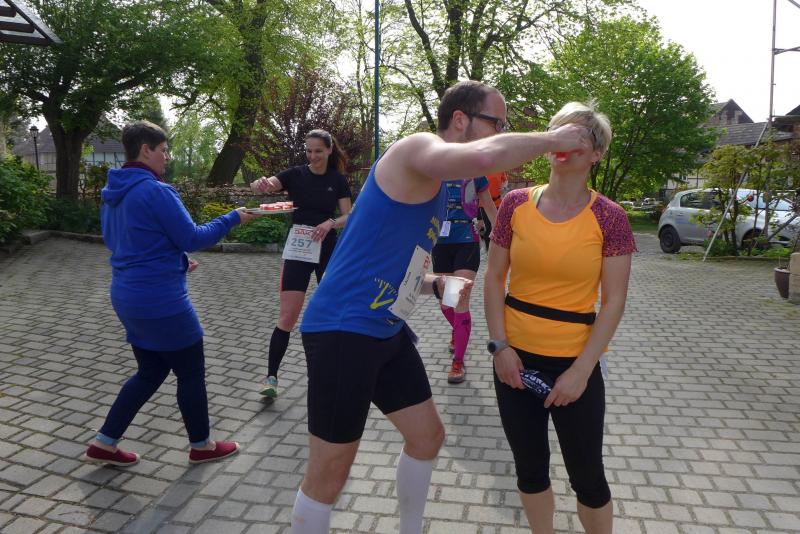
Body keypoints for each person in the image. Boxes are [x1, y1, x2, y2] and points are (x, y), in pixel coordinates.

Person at [289, 80, 591, 534]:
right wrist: (554, 139)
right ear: (460, 120)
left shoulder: (435, 187)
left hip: (385, 329)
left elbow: (394, 265)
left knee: (427, 437)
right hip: (342, 330)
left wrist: (433, 285)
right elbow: (485, 158)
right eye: (497, 123)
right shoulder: (417, 149)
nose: (501, 133)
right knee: (328, 476)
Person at [484, 102, 636, 534]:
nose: (564, 142)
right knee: (530, 469)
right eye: (558, 132)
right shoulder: (515, 204)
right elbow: (494, 278)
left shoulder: (610, 217)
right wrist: (500, 348)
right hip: (514, 362)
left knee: (588, 477)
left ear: (596, 154)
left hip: (575, 365)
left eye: (578, 136)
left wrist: (581, 371)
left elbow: (614, 301)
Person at [83, 121, 260, 467]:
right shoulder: (156, 191)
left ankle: (104, 443)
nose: (167, 157)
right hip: (161, 301)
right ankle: (202, 446)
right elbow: (193, 237)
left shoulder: (113, 193)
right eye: (163, 150)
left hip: (127, 296)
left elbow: (125, 242)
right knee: (191, 372)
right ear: (145, 150)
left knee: (150, 372)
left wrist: (175, 261)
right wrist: (232, 218)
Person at [250, 130, 352, 399]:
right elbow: (266, 185)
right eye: (308, 151)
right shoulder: (295, 174)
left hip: (327, 249)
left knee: (333, 311)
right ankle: (271, 377)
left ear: (329, 150)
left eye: (318, 151)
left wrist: (330, 223)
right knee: (288, 316)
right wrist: (260, 184)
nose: (313, 156)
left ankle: (334, 373)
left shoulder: (337, 180)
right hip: (298, 248)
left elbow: (349, 216)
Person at [432, 174, 497, 384]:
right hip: (440, 241)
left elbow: (489, 205)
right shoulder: (436, 169)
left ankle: (458, 362)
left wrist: (501, 234)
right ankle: (460, 328)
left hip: (467, 239)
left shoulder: (475, 172)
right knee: (446, 302)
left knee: (460, 297)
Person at [478, 171, 508, 250]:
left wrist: (504, 187)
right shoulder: (481, 170)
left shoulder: (499, 168)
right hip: (484, 204)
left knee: (498, 226)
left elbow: (505, 180)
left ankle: (498, 248)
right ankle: (488, 250)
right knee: (488, 228)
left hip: (498, 202)